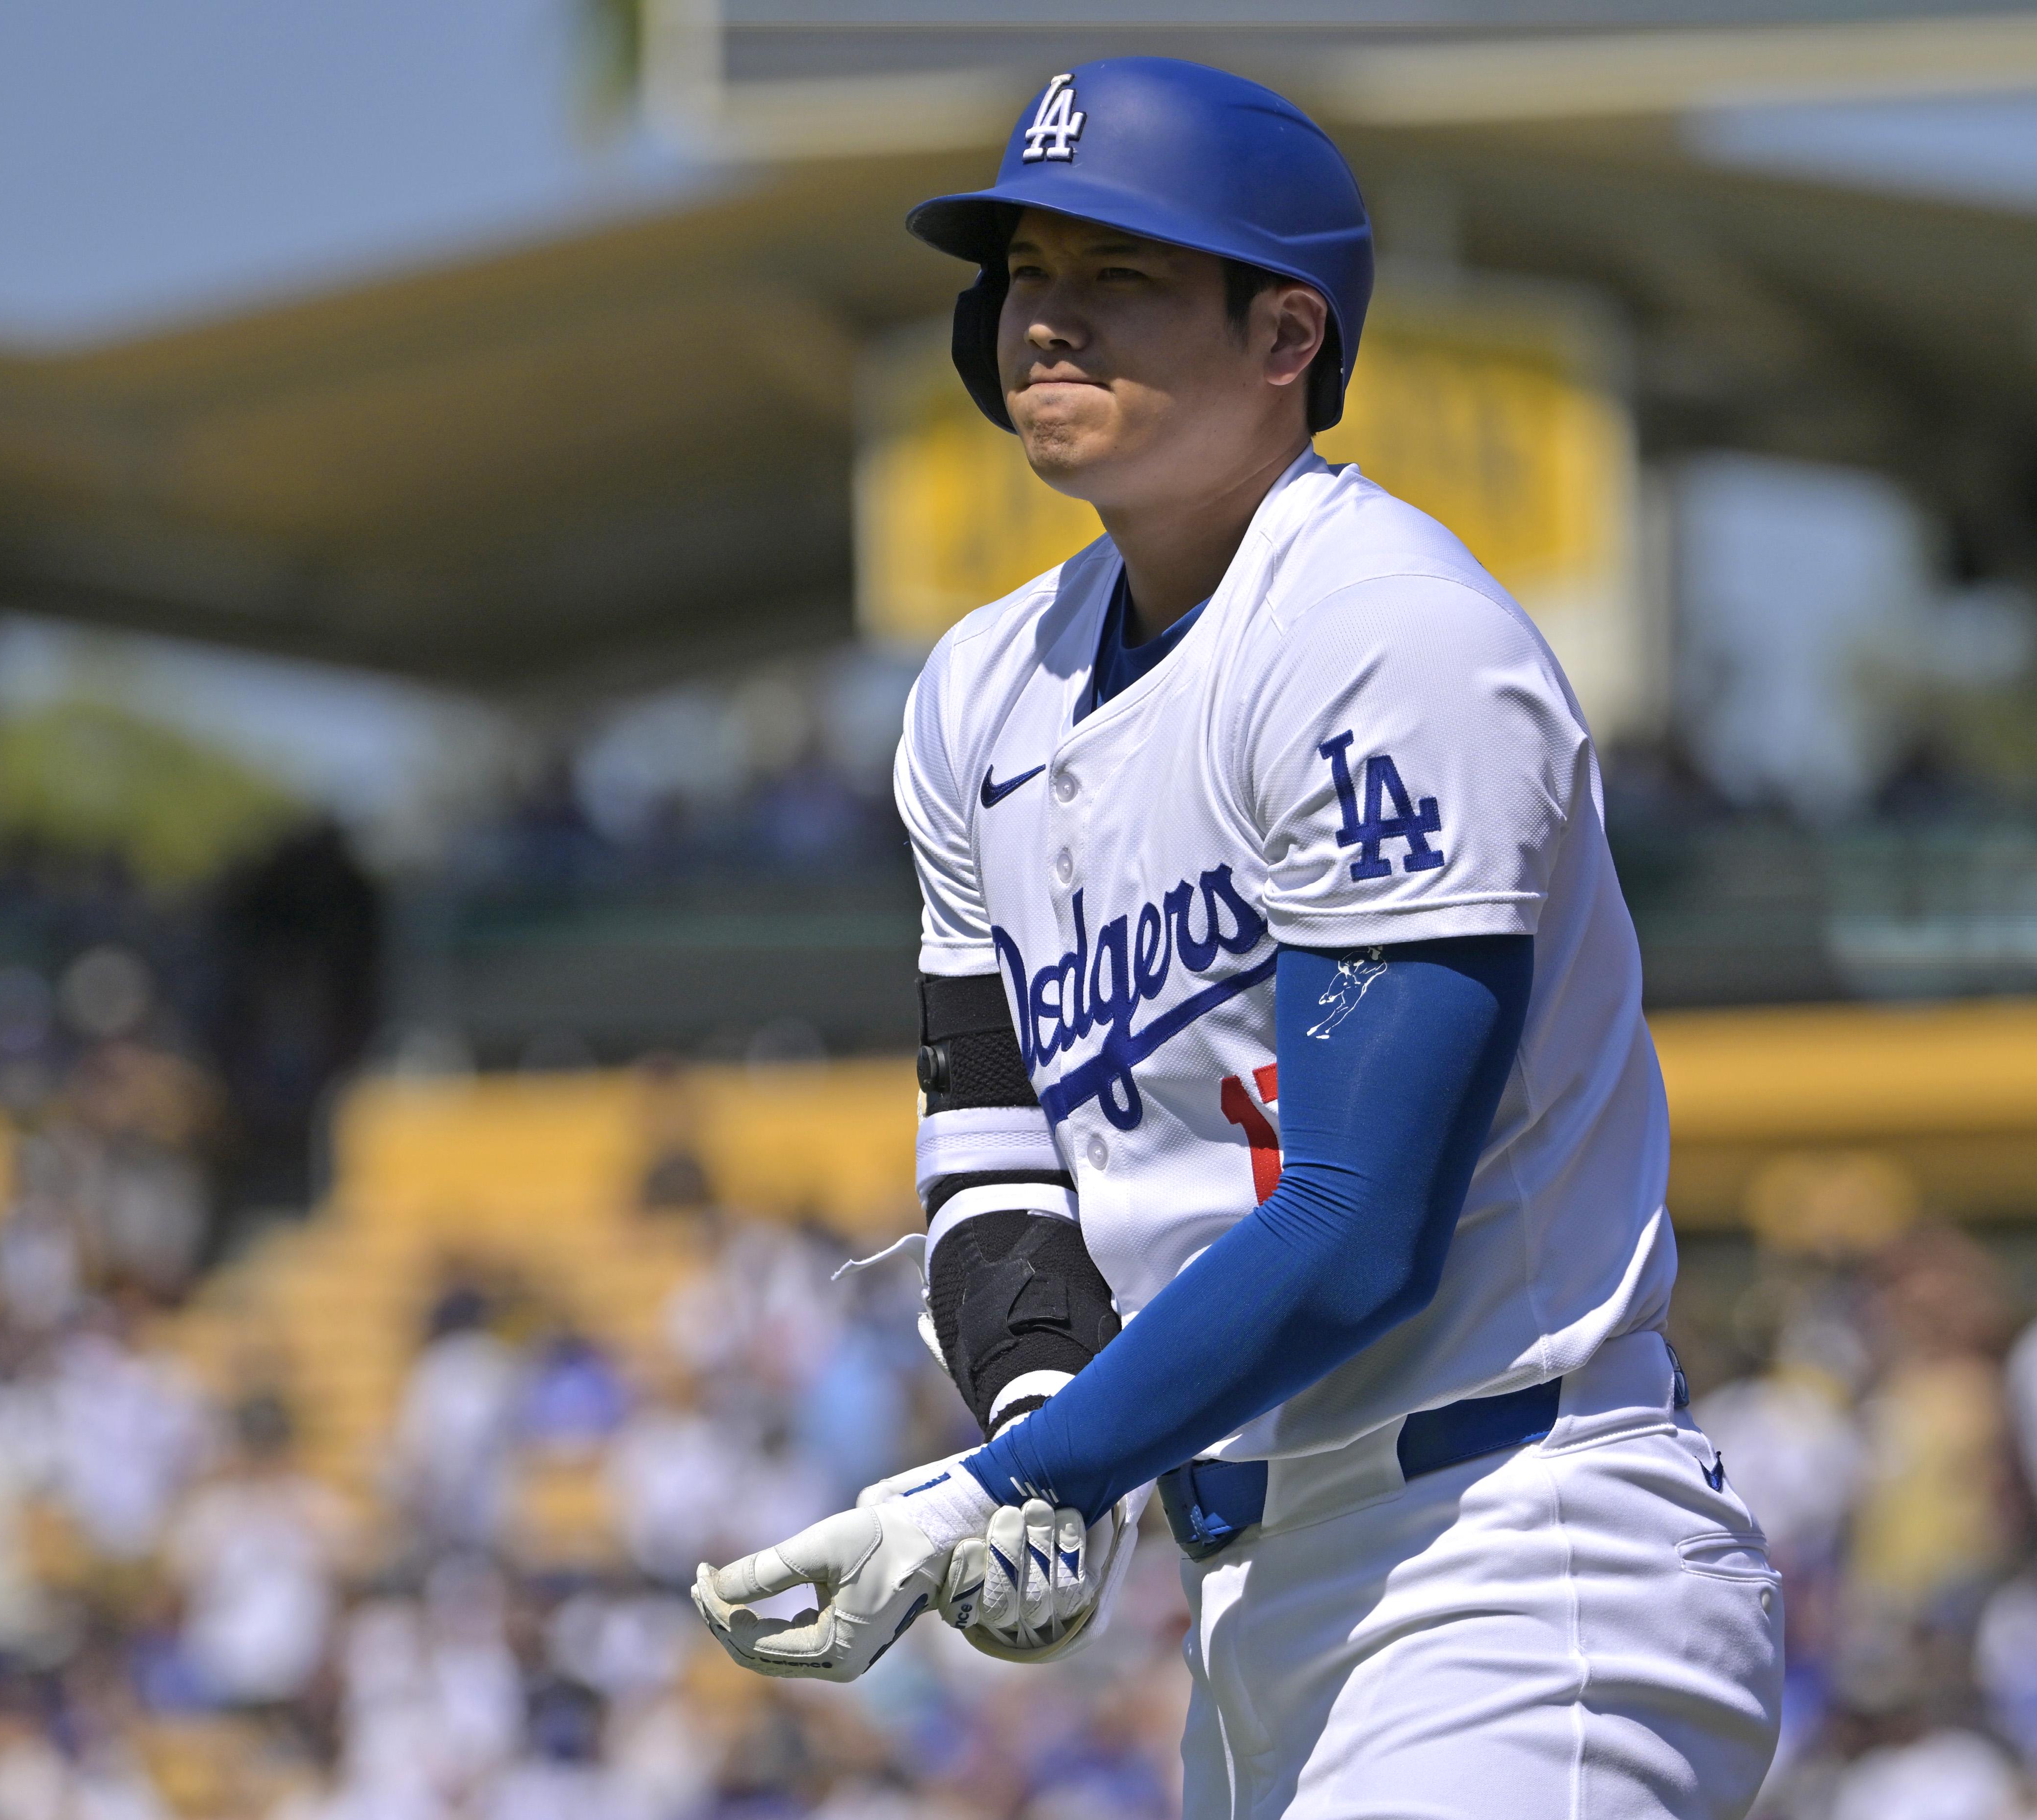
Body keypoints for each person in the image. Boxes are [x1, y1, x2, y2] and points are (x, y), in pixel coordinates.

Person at [691, 57, 1783, 1819]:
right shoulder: (979, 691)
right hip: (1255, 1604)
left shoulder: (1381, 636)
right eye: (1026, 274)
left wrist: (1022, 1473)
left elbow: (1361, 1231)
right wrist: (1050, 1400)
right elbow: (991, 1147)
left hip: (1510, 1554)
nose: (1045, 321)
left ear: (1288, 335)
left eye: (1118, 276)